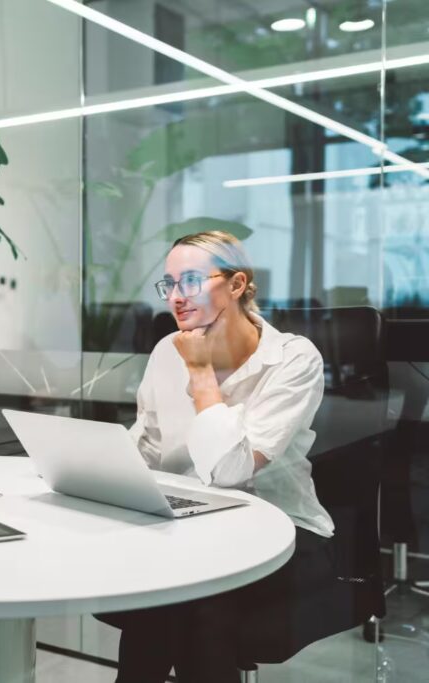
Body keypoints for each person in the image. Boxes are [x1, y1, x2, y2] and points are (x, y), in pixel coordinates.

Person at [100, 230, 336, 683]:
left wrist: (201, 373)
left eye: (190, 280)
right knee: (161, 586)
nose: (176, 297)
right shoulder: (166, 350)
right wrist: (104, 472)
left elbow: (231, 474)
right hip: (189, 523)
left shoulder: (293, 359)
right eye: (168, 284)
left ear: (236, 284)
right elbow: (149, 446)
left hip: (279, 530)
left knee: (186, 598)